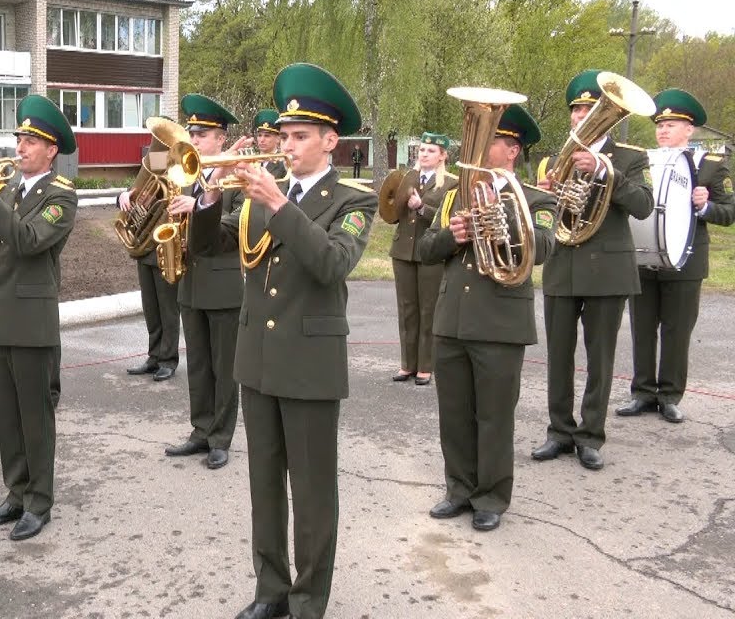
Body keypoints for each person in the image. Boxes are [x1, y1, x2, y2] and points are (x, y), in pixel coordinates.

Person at [191, 63, 377, 619]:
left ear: (329, 141)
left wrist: (278, 202)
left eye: (300, 137)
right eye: (285, 136)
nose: (287, 146)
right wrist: (205, 201)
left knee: (314, 494)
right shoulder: (257, 195)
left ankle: (308, 600)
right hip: (259, 359)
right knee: (265, 485)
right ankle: (270, 590)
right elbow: (214, 246)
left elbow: (332, 263)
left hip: (311, 363)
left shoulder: (352, 199)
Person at [419, 104, 556, 532]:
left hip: (499, 323)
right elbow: (426, 249)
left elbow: (546, 247)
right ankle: (458, 489)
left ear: (512, 150)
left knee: (494, 416)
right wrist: (451, 235)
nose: (476, 147)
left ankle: (491, 496)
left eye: (491, 140)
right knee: (453, 412)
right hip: (453, 319)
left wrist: (501, 223)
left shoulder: (537, 198)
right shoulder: (454, 194)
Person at [0, 95, 77, 541]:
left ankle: (39, 502)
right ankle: (16, 492)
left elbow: (26, 240)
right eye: (20, 138)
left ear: (51, 151)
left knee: (35, 416)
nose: (21, 146)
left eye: (31, 140)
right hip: (0, 317)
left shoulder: (61, 198)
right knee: (7, 414)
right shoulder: (9, 190)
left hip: (31, 321)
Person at [531, 69, 653, 471]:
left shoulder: (632, 158)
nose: (581, 117)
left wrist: (605, 172)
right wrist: (547, 196)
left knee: (600, 358)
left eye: (590, 109)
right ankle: (559, 432)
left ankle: (591, 435)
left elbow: (643, 206)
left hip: (608, 270)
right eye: (577, 110)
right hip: (563, 265)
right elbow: (548, 212)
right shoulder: (554, 160)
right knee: (559, 356)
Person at [619, 89, 734, 423]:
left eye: (671, 124)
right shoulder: (642, 161)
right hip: (643, 256)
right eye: (660, 124)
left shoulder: (709, 167)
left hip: (686, 259)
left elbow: (729, 212)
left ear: (690, 129)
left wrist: (706, 205)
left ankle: (669, 395)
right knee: (642, 328)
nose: (663, 130)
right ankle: (642, 392)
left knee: (676, 330)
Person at [162, 94, 244, 470]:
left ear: (221, 139)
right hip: (191, 283)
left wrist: (201, 204)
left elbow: (240, 227)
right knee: (197, 364)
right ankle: (200, 430)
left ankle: (221, 438)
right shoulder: (185, 173)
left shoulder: (239, 175)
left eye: (203, 134)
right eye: (192, 132)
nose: (194, 139)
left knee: (224, 367)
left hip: (224, 284)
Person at [388, 132, 457, 385]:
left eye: (430, 151)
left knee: (429, 309)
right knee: (407, 310)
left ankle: (426, 366)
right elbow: (392, 213)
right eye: (422, 150)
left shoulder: (451, 183)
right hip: (403, 251)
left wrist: (421, 208)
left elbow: (447, 219)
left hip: (430, 253)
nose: (424, 154)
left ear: (442, 155)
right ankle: (407, 364)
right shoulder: (408, 178)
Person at [118, 134, 181, 382]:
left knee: (168, 308)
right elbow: (138, 186)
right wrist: (124, 196)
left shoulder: (183, 167)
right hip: (145, 245)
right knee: (151, 308)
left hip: (166, 244)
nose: (162, 147)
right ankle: (154, 356)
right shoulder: (155, 160)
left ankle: (168, 359)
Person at [252, 108, 287, 179]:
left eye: (267, 136)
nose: (262, 140)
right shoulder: (251, 163)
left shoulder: (283, 165)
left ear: (278, 139)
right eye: (259, 135)